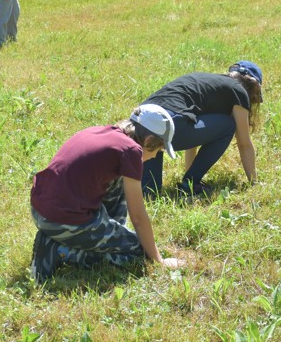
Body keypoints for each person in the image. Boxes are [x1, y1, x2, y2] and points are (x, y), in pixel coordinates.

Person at [29, 105, 184, 282]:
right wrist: (158, 259)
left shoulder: (102, 133)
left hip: (40, 210)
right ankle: (60, 251)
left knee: (119, 179)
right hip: (61, 221)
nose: (156, 156)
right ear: (148, 141)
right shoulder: (132, 151)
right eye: (159, 150)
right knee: (139, 253)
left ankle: (101, 237)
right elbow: (138, 217)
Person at [139, 61, 264, 198]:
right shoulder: (238, 91)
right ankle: (190, 183)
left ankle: (152, 188)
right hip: (170, 123)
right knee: (228, 125)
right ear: (252, 86)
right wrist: (254, 183)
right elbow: (244, 143)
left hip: (140, 122)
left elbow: (192, 135)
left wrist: (189, 174)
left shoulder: (206, 83)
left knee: (150, 194)